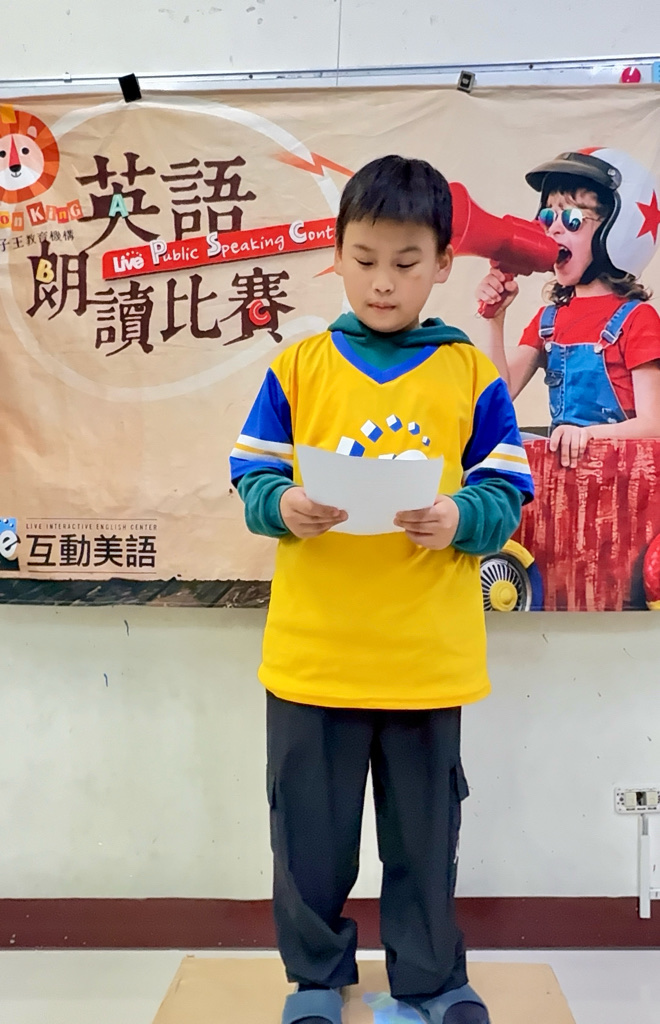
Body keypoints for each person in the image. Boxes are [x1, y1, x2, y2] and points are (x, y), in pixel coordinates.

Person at [230, 155, 534, 1024]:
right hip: (314, 656)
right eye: (364, 260)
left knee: (425, 838)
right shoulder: (299, 367)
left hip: (425, 658)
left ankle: (432, 981)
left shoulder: (470, 373)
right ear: (336, 256)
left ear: (443, 264)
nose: (383, 282)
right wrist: (283, 504)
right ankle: (316, 981)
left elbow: (507, 489)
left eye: (406, 262)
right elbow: (251, 479)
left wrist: (461, 516)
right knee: (309, 838)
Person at [476, 148, 660, 468]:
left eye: (572, 219)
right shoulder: (547, 320)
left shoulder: (638, 319)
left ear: (617, 231)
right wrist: (495, 320)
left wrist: (587, 435)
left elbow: (653, 424)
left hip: (624, 481)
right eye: (548, 217)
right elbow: (498, 399)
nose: (554, 229)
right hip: (567, 483)